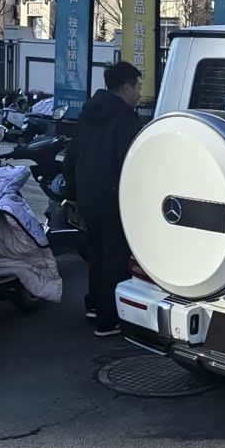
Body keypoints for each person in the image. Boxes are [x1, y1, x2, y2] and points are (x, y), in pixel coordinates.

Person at [63, 62, 144, 337]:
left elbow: (72, 155)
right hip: (114, 198)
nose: (140, 93)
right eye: (138, 86)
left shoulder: (89, 113)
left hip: (88, 196)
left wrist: (71, 194)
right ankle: (108, 321)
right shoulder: (127, 120)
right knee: (115, 258)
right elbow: (133, 164)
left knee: (97, 254)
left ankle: (95, 305)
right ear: (126, 86)